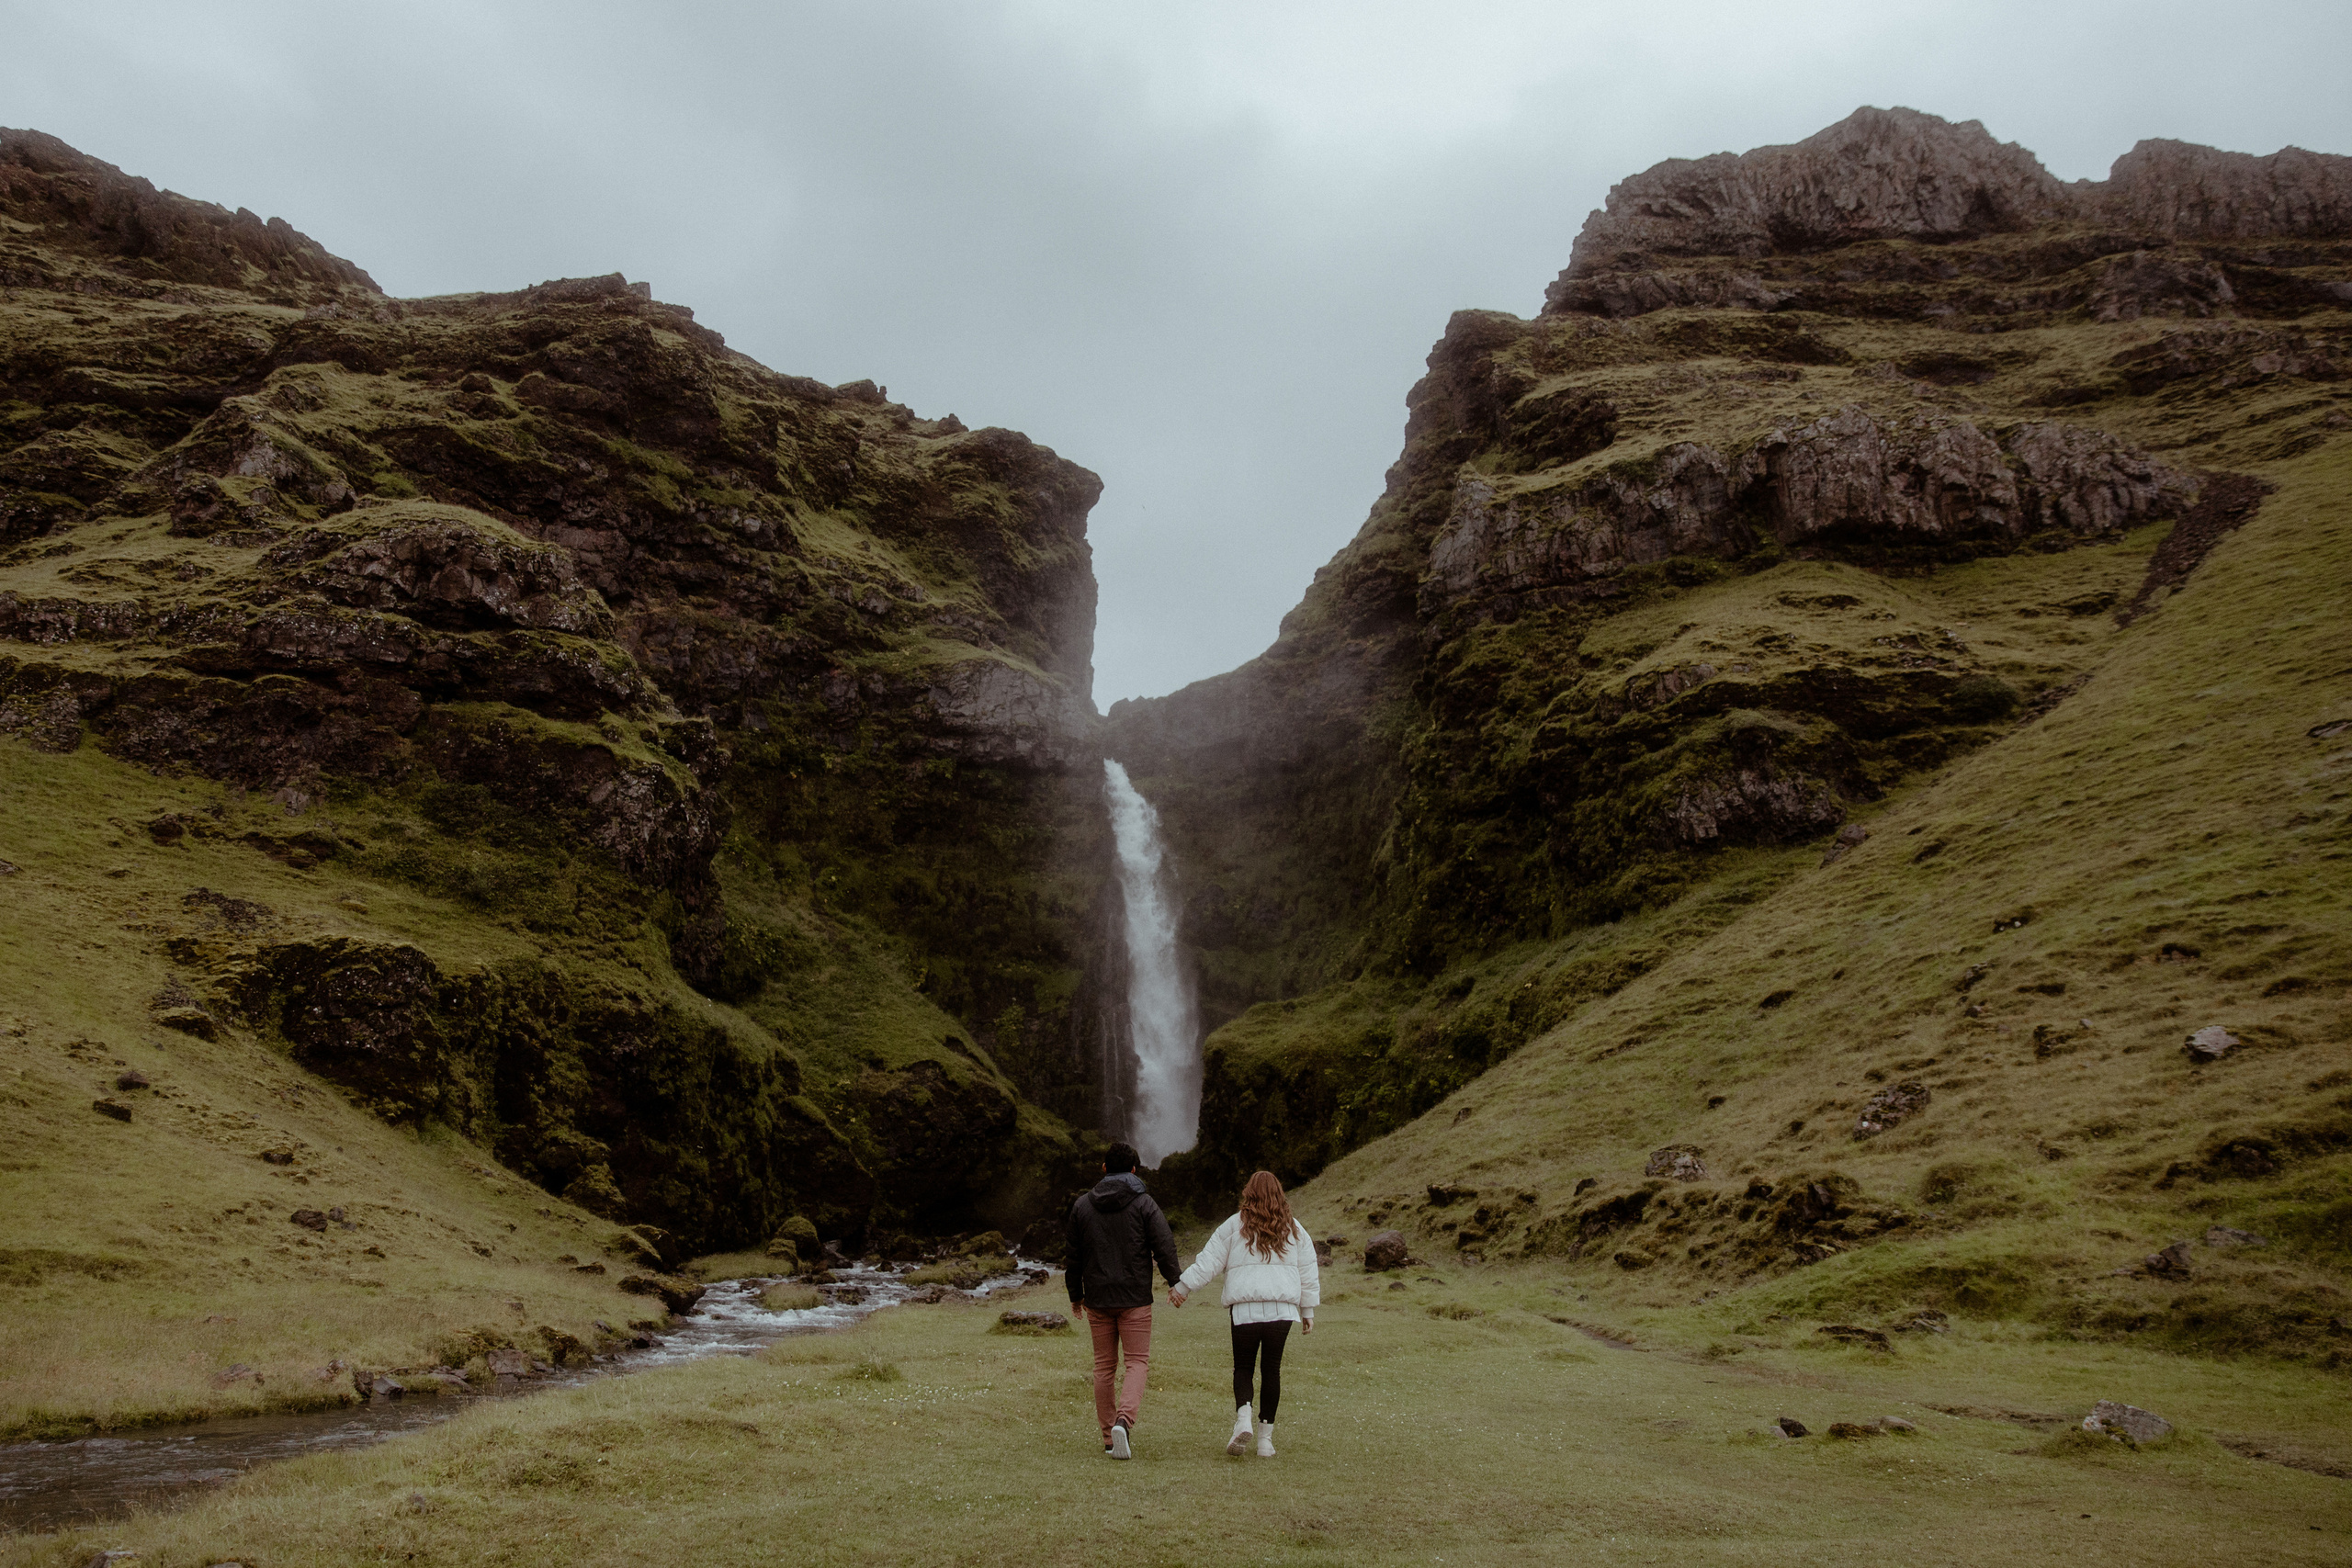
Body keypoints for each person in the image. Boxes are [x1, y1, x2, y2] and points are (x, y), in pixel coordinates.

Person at [1169, 1168, 1319, 1458]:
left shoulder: (1234, 1225)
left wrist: (1182, 1287)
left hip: (1245, 1310)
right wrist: (1308, 1308)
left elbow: (1208, 1261)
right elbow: (1308, 1270)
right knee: (1271, 1370)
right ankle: (1265, 1441)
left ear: (1248, 1193)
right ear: (1279, 1194)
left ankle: (1243, 1419)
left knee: (1244, 1368)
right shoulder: (1295, 1229)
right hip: (1282, 1310)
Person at [1065, 1141, 1181, 1460]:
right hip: (1135, 1299)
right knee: (1137, 1362)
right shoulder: (1144, 1203)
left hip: (1098, 1299)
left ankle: (1107, 1438)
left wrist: (1076, 1296)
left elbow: (1073, 1257)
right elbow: (1164, 1244)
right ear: (1134, 1170)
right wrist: (1175, 1283)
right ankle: (1124, 1423)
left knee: (1103, 1367)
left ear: (1104, 1169)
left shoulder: (1082, 1206)